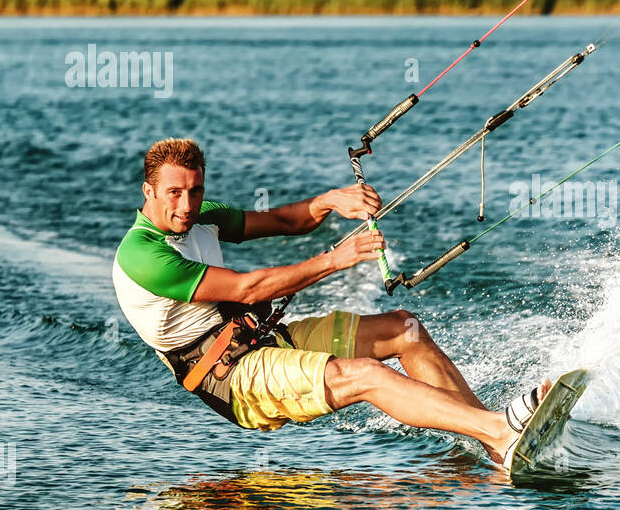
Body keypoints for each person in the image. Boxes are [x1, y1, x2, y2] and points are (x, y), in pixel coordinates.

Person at [112, 138, 548, 465]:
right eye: (174, 192)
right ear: (148, 191)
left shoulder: (204, 217)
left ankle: (496, 445)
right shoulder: (142, 254)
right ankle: (498, 430)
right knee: (365, 376)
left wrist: (329, 201)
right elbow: (247, 289)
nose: (187, 204)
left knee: (403, 329)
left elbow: (284, 220)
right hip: (228, 378)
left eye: (195, 191)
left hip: (260, 341)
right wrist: (334, 260)